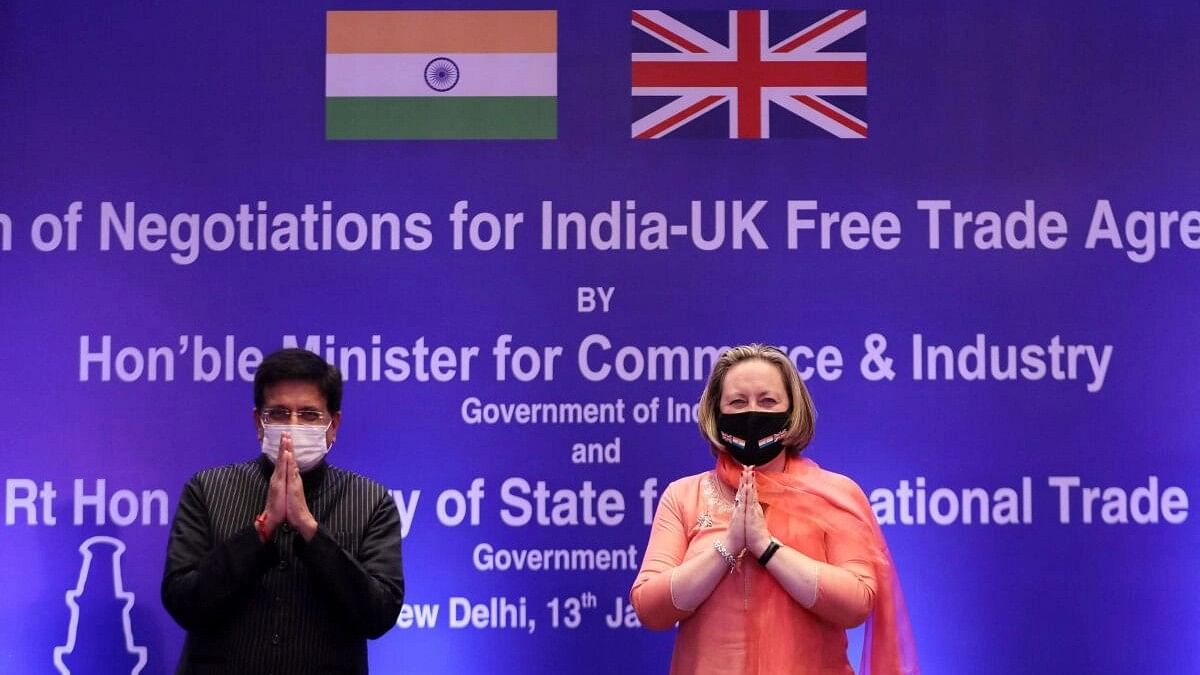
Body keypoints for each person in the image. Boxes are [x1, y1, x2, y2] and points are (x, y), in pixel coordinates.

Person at [631, 344, 918, 675]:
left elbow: (856, 603)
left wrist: (767, 548)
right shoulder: (683, 496)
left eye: (768, 402)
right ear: (716, 413)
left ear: (792, 411)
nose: (753, 413)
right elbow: (651, 609)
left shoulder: (835, 495)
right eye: (738, 402)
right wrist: (728, 546)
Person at [162, 348, 404, 674]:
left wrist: (309, 529)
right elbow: (183, 601)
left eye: (308, 415)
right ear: (258, 423)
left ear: (333, 425)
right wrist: (261, 531)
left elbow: (379, 614)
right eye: (278, 414)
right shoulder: (206, 489)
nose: (291, 427)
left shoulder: (371, 501)